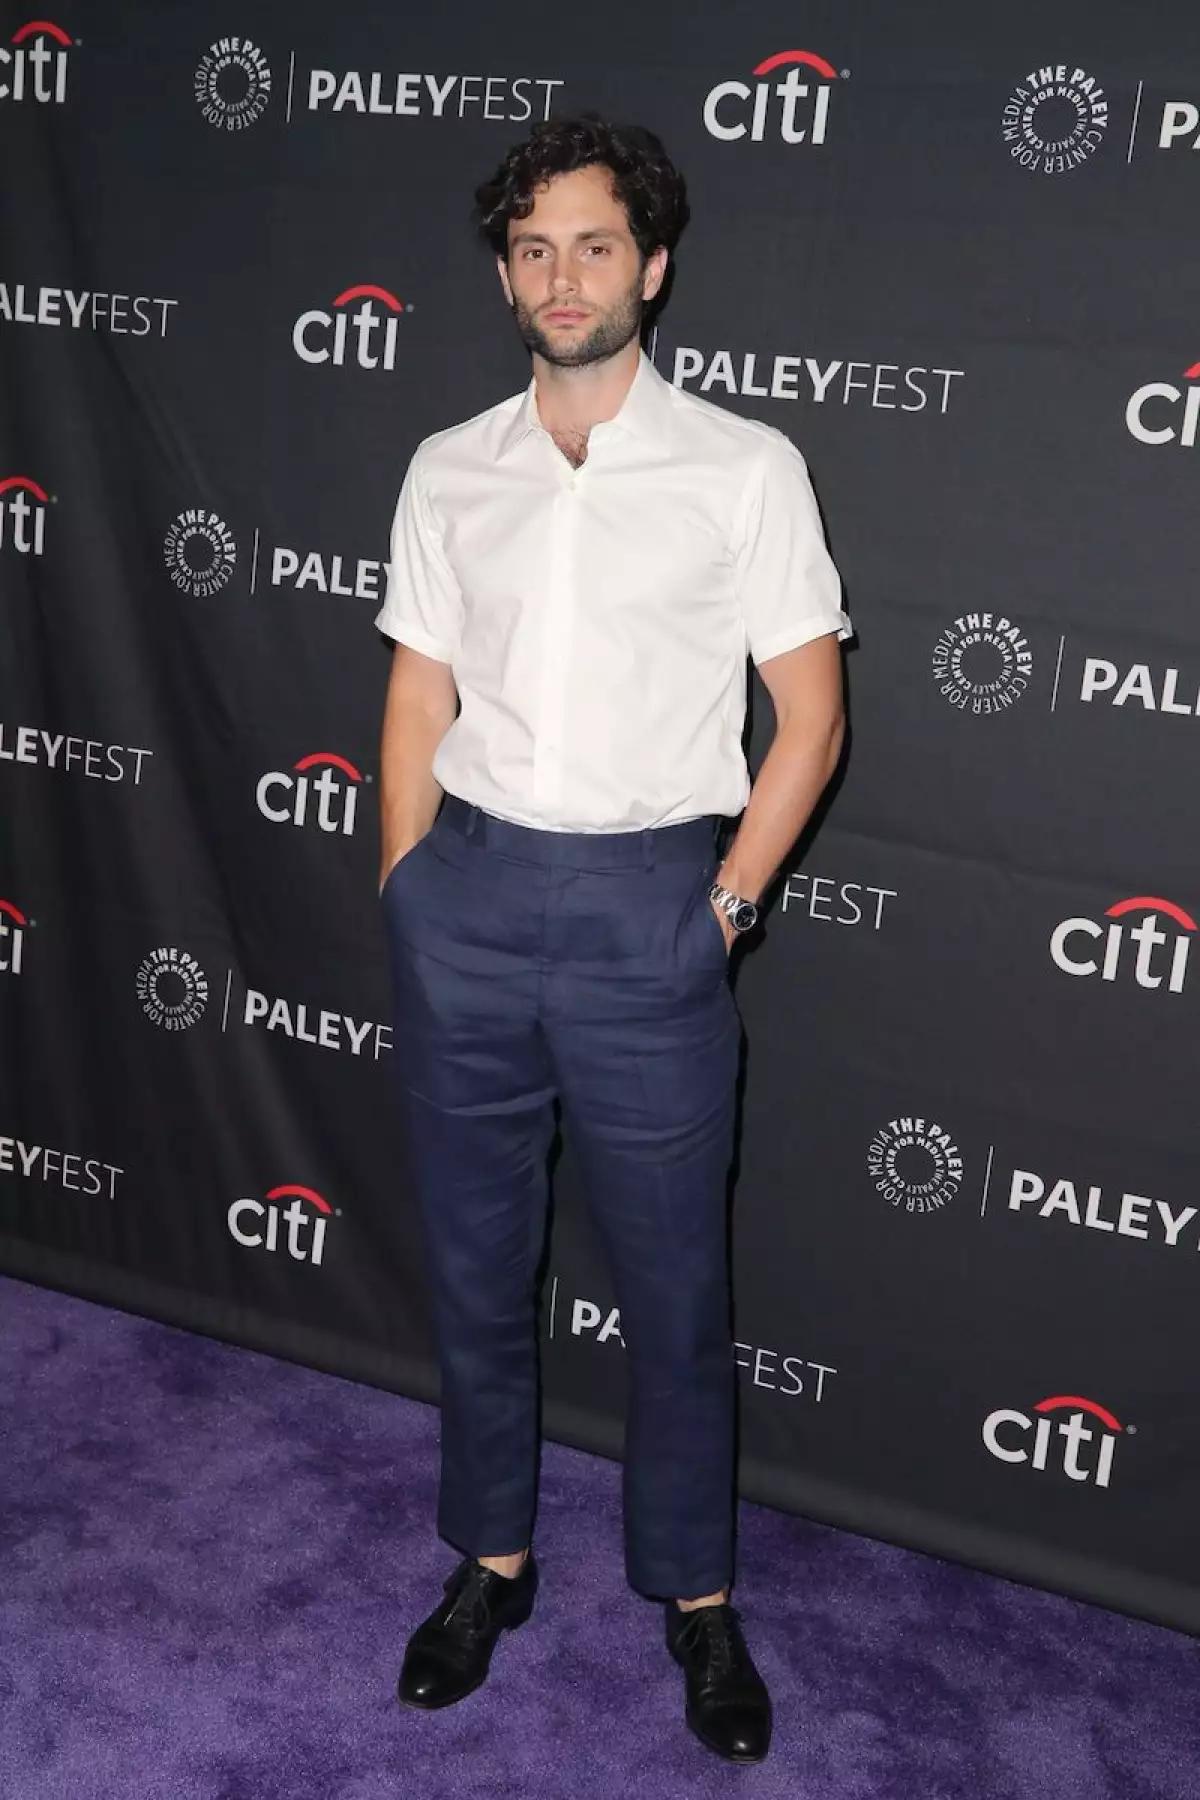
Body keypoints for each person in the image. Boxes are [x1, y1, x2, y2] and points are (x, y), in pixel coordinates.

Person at [374, 114, 850, 1765]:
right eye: (532, 249)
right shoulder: (451, 466)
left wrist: (721, 910)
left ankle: (695, 1599)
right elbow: (419, 688)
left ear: (650, 266)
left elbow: (810, 716)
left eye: (593, 245)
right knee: (476, 1274)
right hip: (474, 901)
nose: (561, 276)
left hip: (655, 904)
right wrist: (408, 885)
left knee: (674, 1286)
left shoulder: (744, 469)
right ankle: (488, 1564)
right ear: (504, 274)